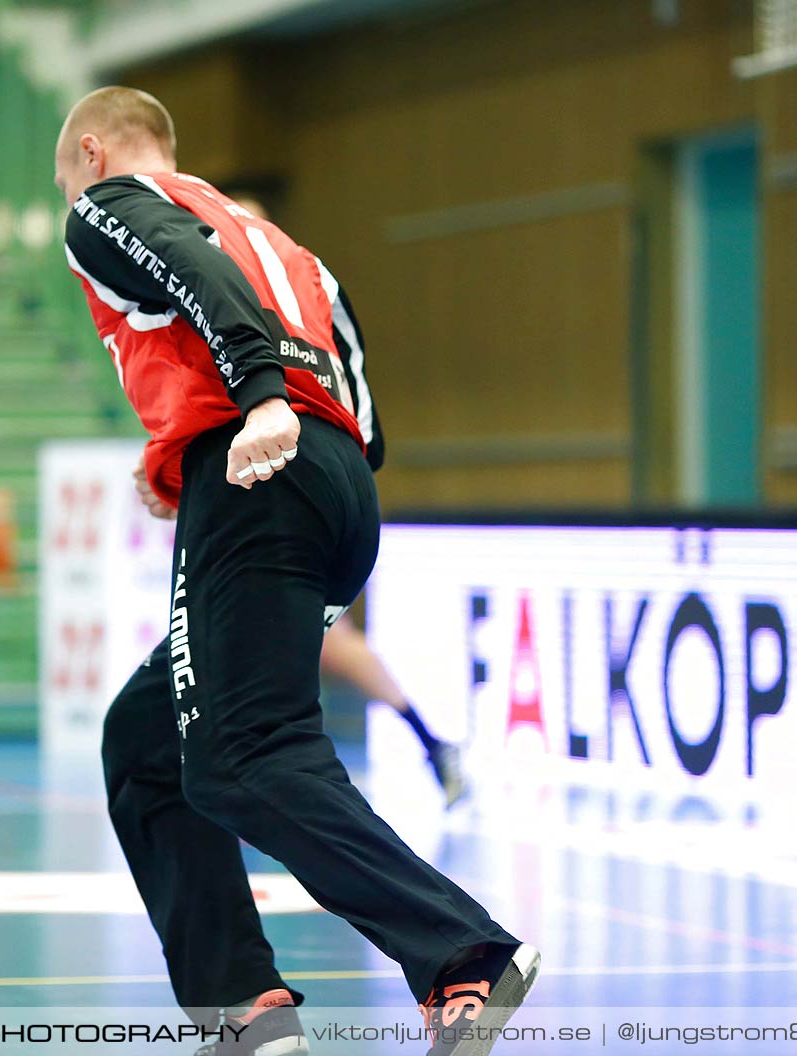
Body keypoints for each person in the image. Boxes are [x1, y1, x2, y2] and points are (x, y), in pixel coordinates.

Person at [57, 87, 537, 1056]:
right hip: (337, 487)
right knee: (148, 745)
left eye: (70, 178)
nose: (73, 201)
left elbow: (185, 274)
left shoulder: (109, 205)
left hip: (258, 468)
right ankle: (244, 1009)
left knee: (244, 754)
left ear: (95, 154)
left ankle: (466, 957)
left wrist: (260, 399)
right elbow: (356, 391)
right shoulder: (281, 245)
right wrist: (199, 460)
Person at [131, 453, 470, 806]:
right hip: (323, 489)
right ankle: (431, 745)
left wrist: (170, 463)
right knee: (316, 640)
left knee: (289, 638)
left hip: (291, 494)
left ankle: (426, 747)